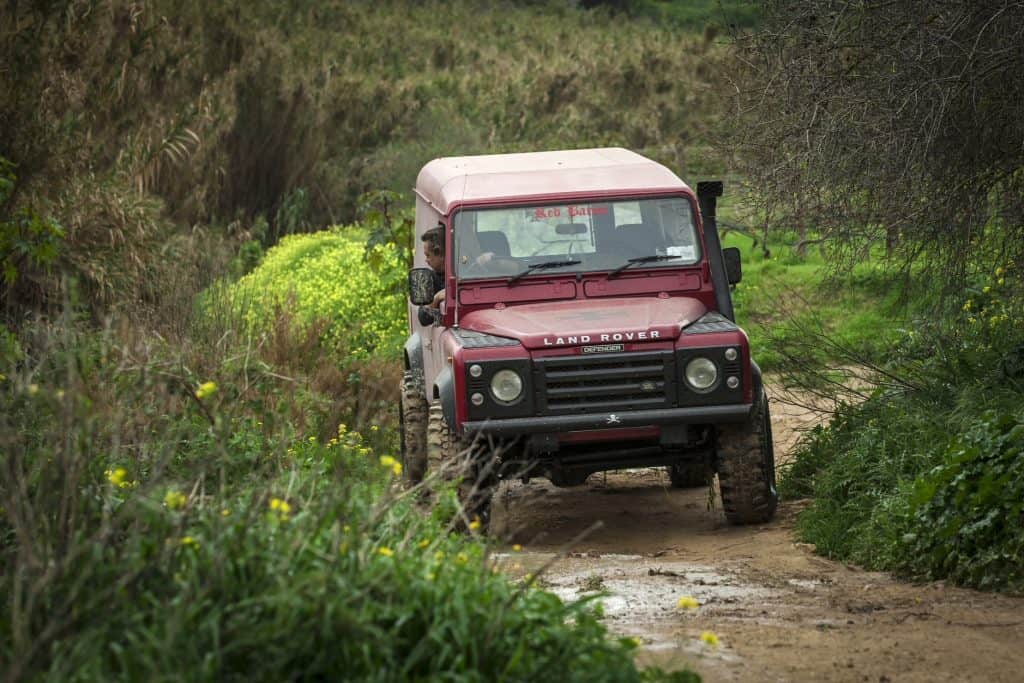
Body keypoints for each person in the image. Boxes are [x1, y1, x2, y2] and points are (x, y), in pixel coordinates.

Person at [418, 225, 446, 326]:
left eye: (428, 255)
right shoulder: (430, 278)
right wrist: (436, 298)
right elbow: (423, 318)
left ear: (441, 254)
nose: (426, 260)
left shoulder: (468, 272)